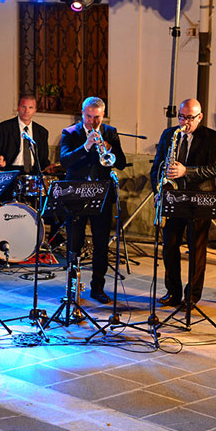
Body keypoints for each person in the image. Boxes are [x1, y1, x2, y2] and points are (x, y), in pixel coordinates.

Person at [150, 98, 216, 308]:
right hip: (174, 198)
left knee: (196, 249)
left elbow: (214, 169)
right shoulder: (169, 134)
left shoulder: (212, 137)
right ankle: (173, 292)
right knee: (170, 246)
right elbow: (156, 167)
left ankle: (192, 296)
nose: (185, 122)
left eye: (190, 118)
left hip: (199, 199)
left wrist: (186, 171)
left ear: (200, 117)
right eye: (181, 117)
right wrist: (158, 190)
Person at [60, 97, 127, 304]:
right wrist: (86, 146)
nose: (92, 121)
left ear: (103, 115)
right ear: (82, 113)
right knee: (74, 243)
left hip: (102, 194)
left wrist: (109, 147)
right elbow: (65, 161)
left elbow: (121, 162)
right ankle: (72, 289)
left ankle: (97, 288)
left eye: (96, 117)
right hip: (77, 194)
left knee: (101, 244)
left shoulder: (110, 132)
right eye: (88, 116)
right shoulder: (70, 133)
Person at [0, 94, 51, 174]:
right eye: (23, 107)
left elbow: (44, 160)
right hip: (10, 171)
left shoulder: (42, 132)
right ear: (18, 108)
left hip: (34, 173)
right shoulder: (3, 128)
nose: (26, 111)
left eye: (30, 108)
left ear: (35, 110)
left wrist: (49, 168)